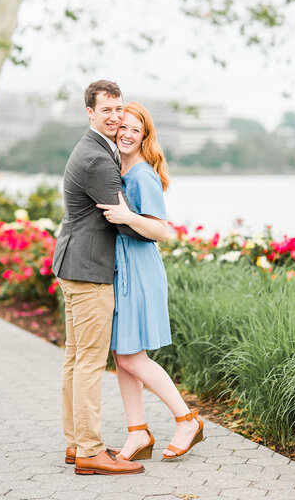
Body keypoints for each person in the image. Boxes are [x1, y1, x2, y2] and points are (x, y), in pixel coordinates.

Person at [52, 81, 151, 475]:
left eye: (119, 109)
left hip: (74, 265)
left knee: (76, 359)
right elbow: (124, 223)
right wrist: (157, 226)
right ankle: (91, 451)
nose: (115, 117)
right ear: (89, 112)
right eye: (106, 110)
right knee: (89, 362)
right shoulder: (98, 159)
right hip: (90, 270)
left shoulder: (92, 149)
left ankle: (77, 444)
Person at [96, 102, 204, 461]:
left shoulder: (142, 174)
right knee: (121, 355)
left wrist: (127, 215)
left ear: (145, 137)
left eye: (135, 131)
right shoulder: (117, 167)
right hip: (121, 268)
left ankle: (187, 420)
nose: (126, 134)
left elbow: (162, 230)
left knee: (132, 355)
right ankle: (138, 432)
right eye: (122, 127)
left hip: (139, 271)